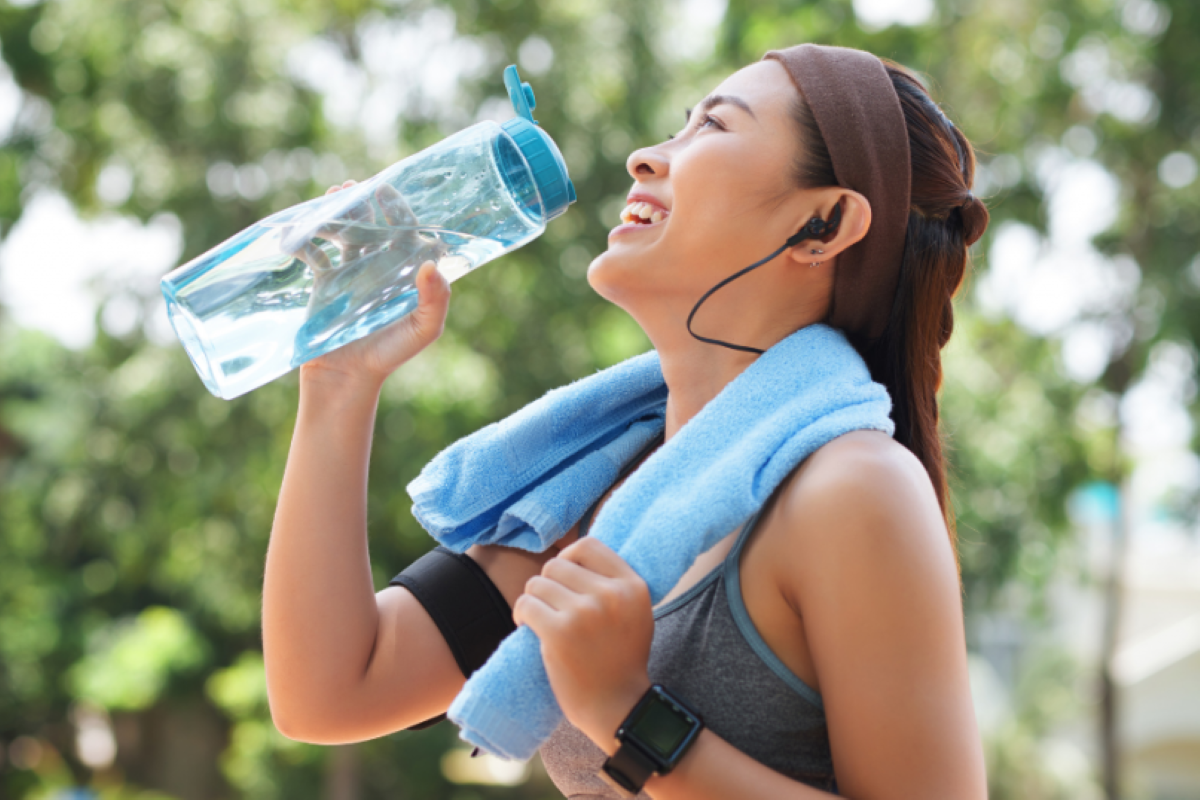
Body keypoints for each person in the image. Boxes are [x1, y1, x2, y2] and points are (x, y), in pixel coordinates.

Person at [262, 43, 990, 799]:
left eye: (712, 128)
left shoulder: (856, 488)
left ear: (825, 223)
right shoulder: (607, 489)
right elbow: (333, 690)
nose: (646, 157)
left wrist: (626, 712)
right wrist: (338, 385)